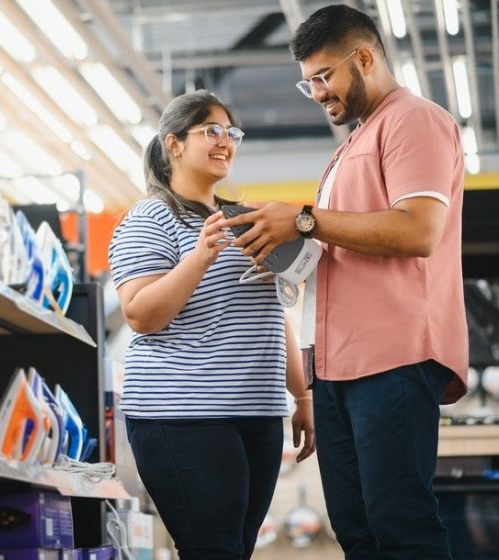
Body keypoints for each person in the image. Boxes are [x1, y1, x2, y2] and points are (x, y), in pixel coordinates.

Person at [220, 6, 469, 560]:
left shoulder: (414, 121)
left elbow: (419, 230)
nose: (317, 93)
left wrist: (303, 219)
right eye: (307, 82)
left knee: (399, 524)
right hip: (336, 366)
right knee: (357, 531)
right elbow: (345, 243)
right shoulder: (348, 149)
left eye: (323, 76)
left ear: (364, 58)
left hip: (394, 357)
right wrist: (284, 247)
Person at [108, 90, 315, 560]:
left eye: (231, 132)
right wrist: (199, 256)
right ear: (173, 144)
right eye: (211, 131)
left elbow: (270, 313)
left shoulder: (244, 219)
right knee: (213, 550)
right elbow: (141, 314)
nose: (226, 142)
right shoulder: (150, 218)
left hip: (256, 414)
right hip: (183, 416)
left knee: (235, 550)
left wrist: (302, 396)